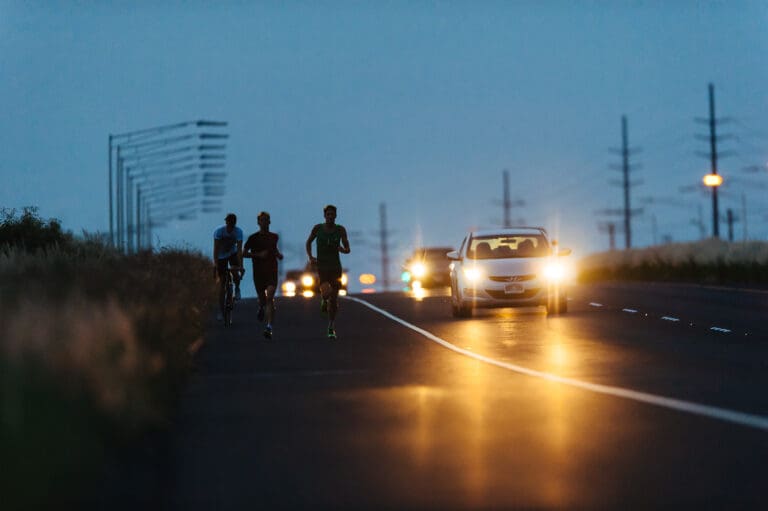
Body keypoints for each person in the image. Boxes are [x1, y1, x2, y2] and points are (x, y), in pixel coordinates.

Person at [305, 204, 350, 339]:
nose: (330, 217)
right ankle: (324, 299)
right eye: (328, 214)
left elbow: (347, 249)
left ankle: (331, 327)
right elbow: (308, 243)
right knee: (326, 293)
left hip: (336, 268)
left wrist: (340, 249)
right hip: (322, 267)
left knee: (334, 299)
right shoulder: (318, 228)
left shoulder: (340, 230)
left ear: (336, 216)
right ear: (324, 216)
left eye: (332, 214)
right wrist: (311, 257)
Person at [243, 211, 283, 339]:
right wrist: (258, 255)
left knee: (270, 296)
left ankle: (269, 327)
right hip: (258, 272)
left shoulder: (274, 237)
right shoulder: (253, 238)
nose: (265, 222)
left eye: (266, 220)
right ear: (258, 222)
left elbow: (274, 249)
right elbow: (243, 253)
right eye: (262, 220)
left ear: (269, 222)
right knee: (262, 299)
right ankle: (261, 307)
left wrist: (278, 255)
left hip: (272, 270)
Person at [213, 213, 244, 321]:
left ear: (235, 223)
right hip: (221, 256)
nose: (230, 225)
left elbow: (240, 250)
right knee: (222, 284)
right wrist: (216, 264)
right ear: (226, 222)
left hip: (232, 253)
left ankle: (237, 288)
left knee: (235, 272)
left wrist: (241, 266)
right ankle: (221, 312)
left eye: (232, 223)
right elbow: (216, 249)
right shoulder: (219, 232)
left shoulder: (238, 232)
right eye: (228, 222)